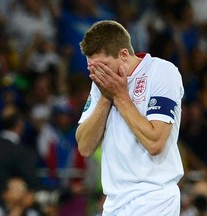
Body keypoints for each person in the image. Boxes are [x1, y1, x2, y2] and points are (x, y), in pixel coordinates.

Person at [75, 20, 184, 215]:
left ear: (124, 54)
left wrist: (119, 96)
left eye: (104, 66)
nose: (99, 74)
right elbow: (84, 146)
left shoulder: (162, 72)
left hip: (155, 198)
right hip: (114, 203)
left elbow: (155, 143)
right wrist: (105, 99)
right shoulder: (102, 84)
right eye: (92, 69)